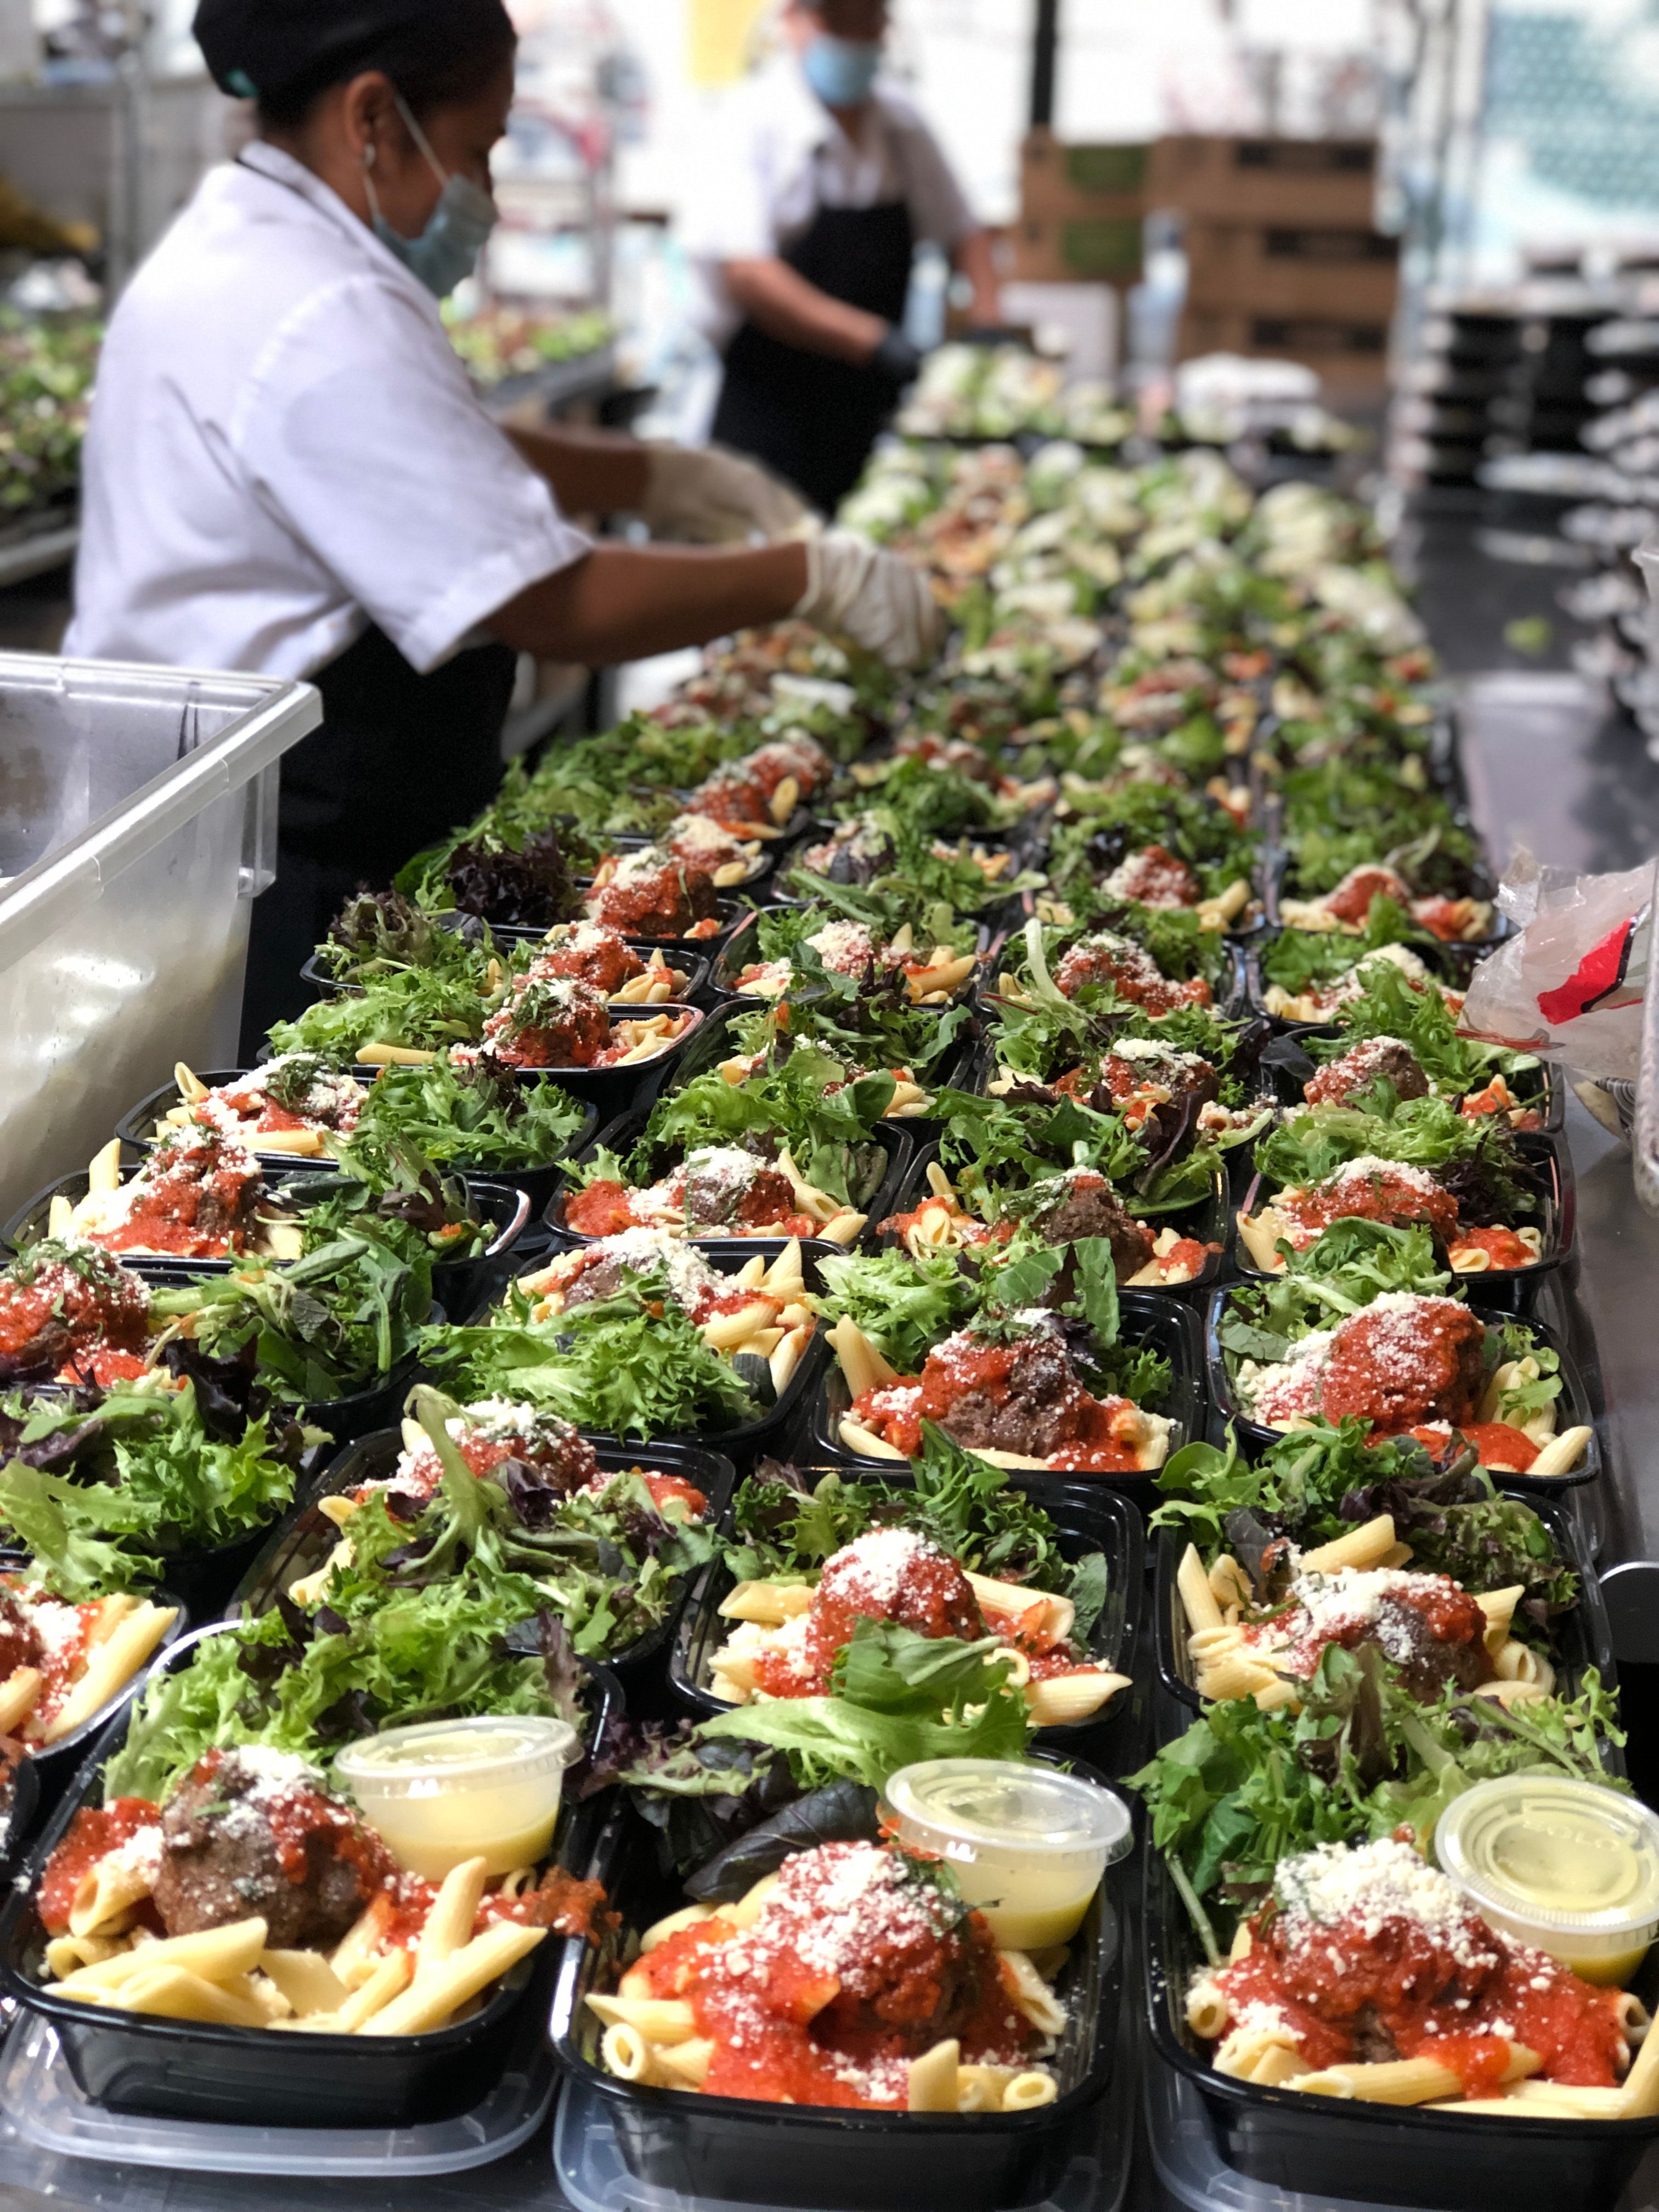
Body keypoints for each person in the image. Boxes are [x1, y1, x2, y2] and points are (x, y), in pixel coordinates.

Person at [65, 0, 940, 1050]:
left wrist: (654, 474)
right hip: (279, 858)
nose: (481, 192)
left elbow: (426, 452)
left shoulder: (253, 245)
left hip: (220, 828)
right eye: (478, 149)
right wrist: (809, 577)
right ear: (374, 119)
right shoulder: (315, 307)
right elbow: (550, 600)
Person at [682, 0, 1001, 515]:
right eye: (839, 21)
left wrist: (987, 323)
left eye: (869, 21)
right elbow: (748, 273)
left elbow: (966, 229)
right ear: (792, 21)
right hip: (768, 416)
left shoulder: (903, 124)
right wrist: (872, 341)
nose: (856, 38)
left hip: (867, 417)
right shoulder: (752, 120)